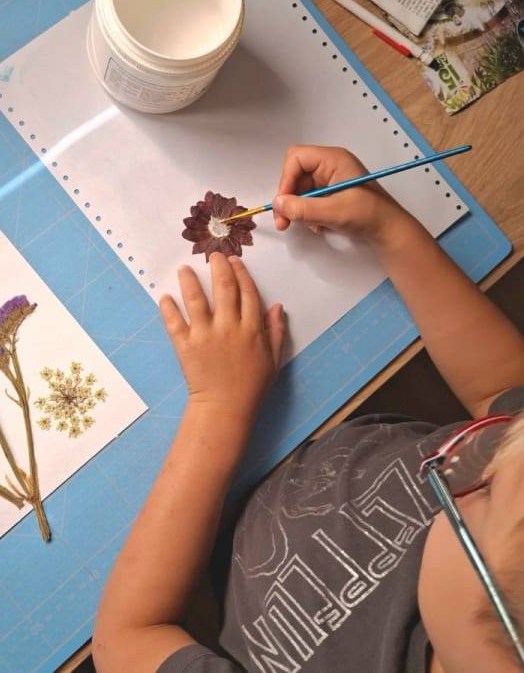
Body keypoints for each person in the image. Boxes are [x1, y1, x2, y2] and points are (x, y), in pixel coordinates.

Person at [91, 145, 524, 672]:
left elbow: (124, 639)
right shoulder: (502, 496)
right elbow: (503, 388)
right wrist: (390, 228)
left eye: (473, 485)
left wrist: (219, 407)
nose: (466, 452)